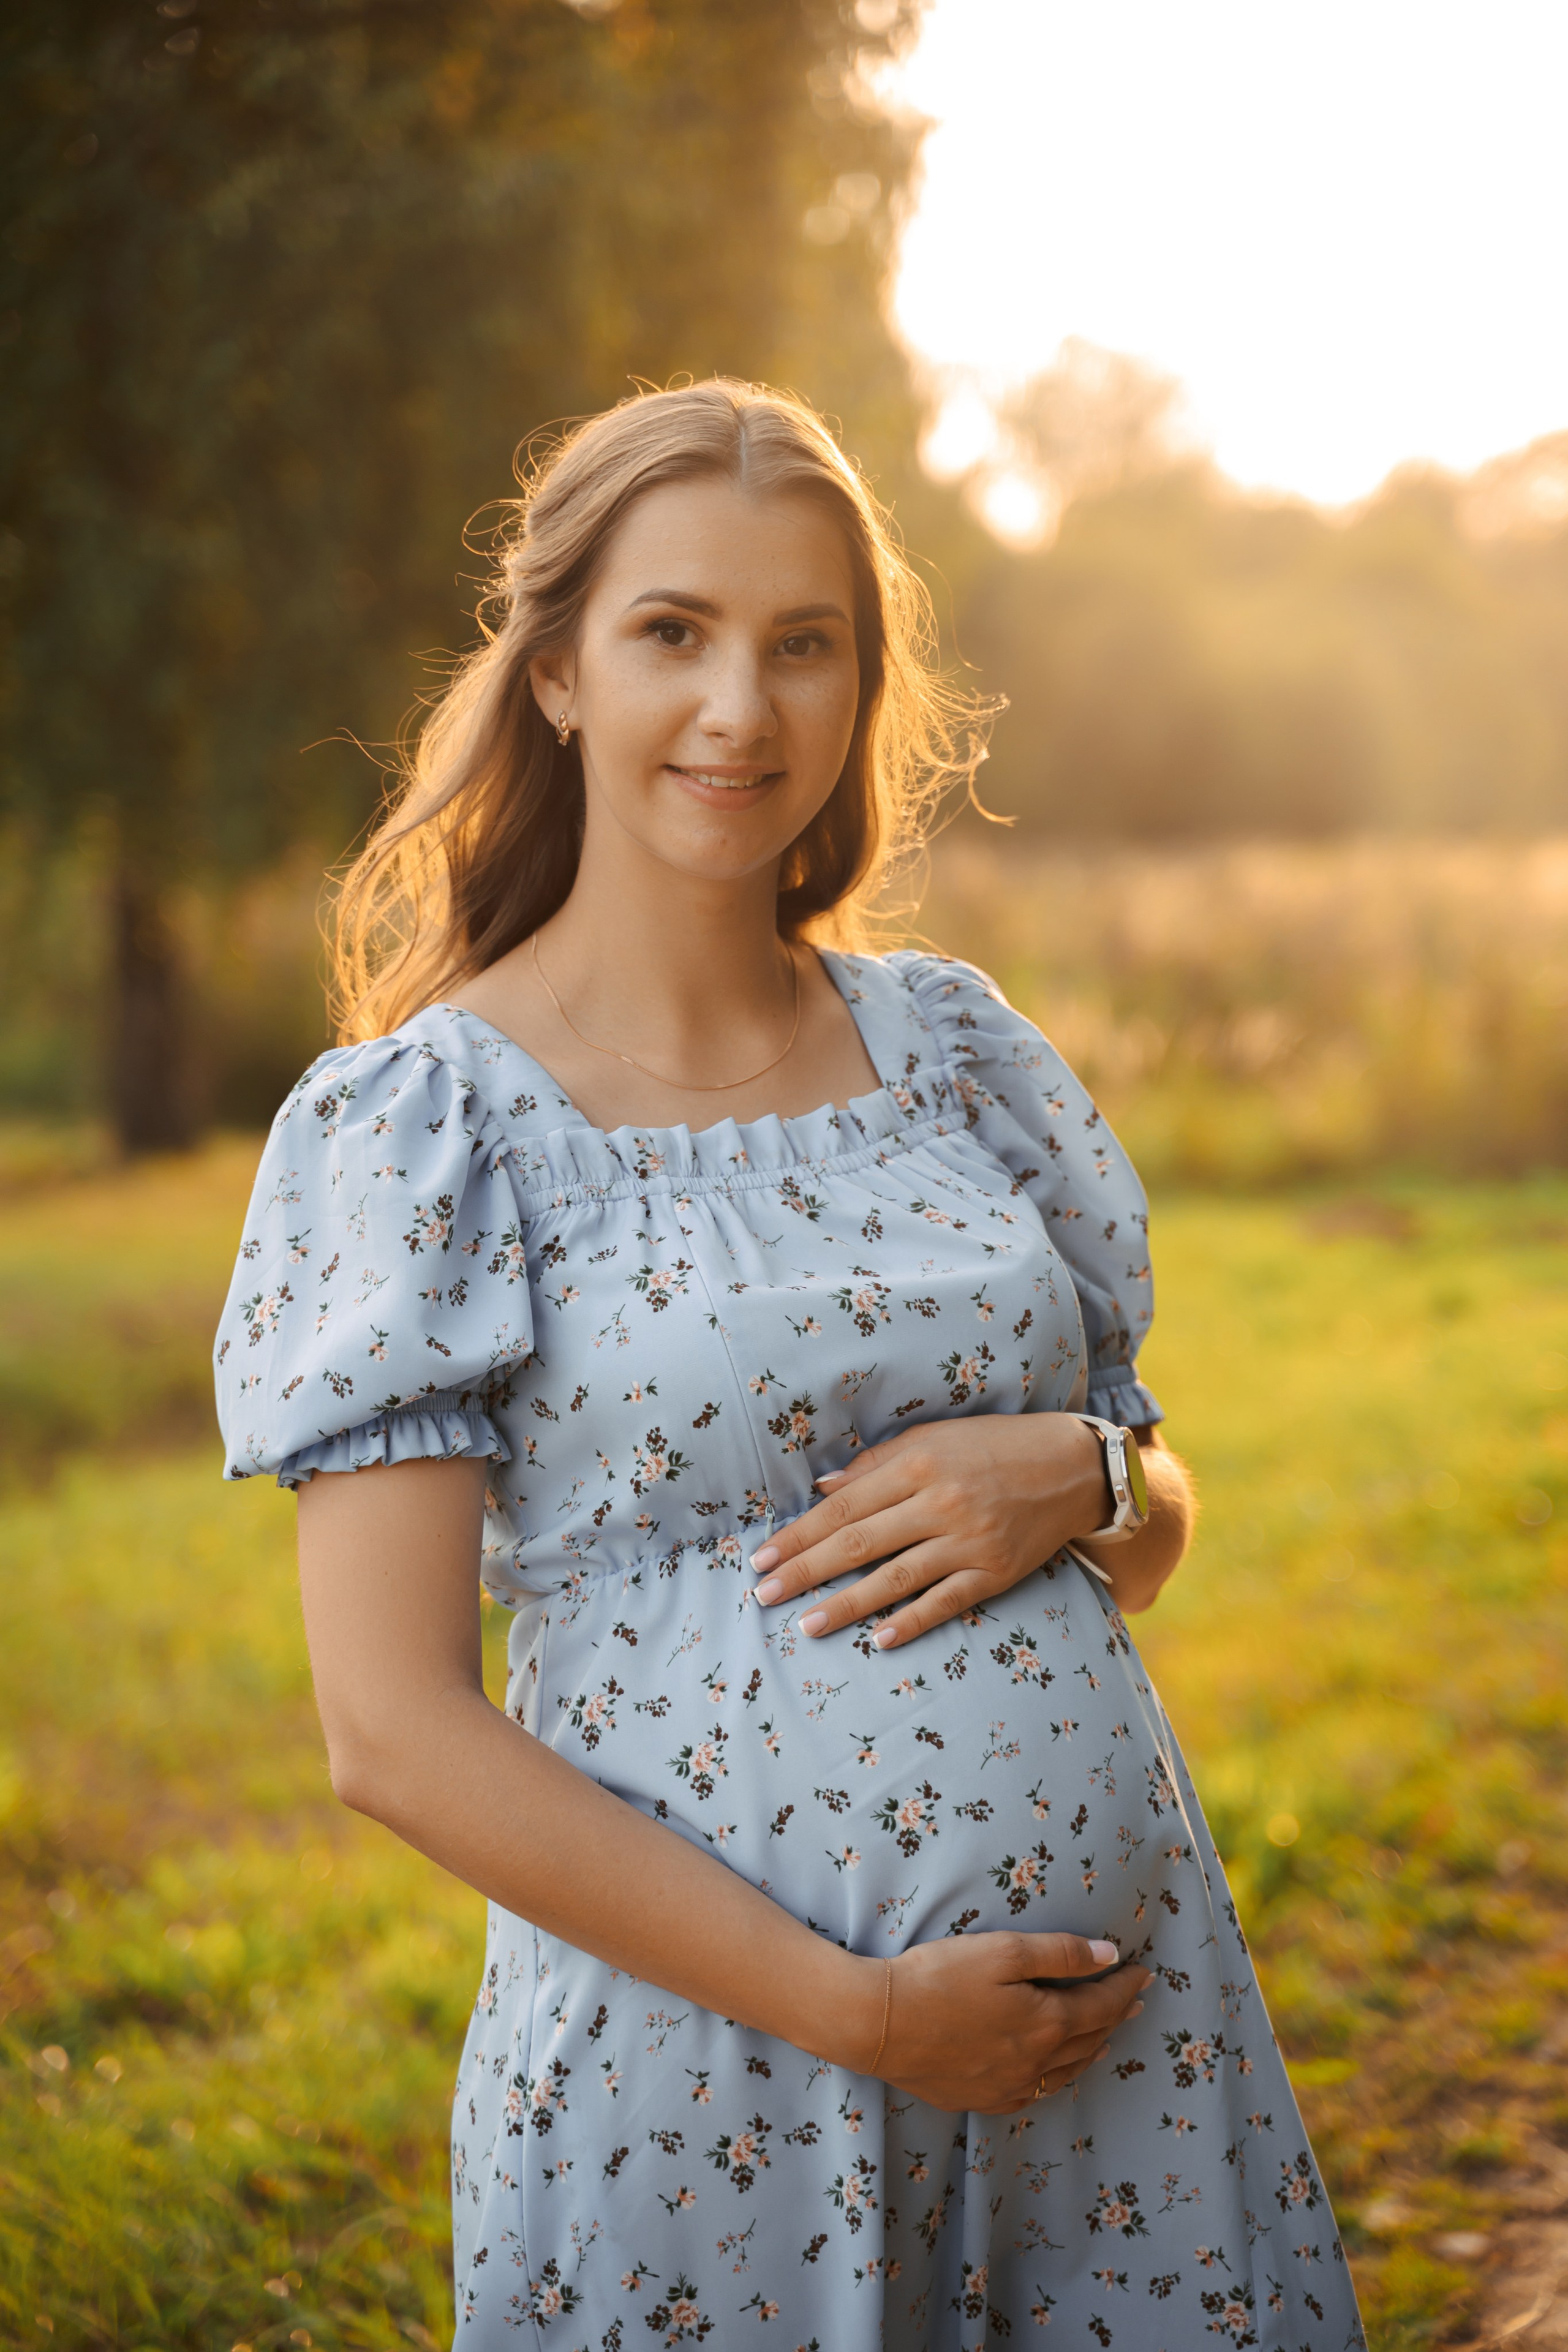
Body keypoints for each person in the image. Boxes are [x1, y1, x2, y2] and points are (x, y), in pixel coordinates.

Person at [214, 379, 1363, 2349]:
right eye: (676, 633)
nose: (742, 710)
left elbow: (1147, 1522)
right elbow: (387, 1731)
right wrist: (865, 2013)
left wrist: (1082, 1476)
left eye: (802, 646)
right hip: (713, 2089)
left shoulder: (952, 1050)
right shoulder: (422, 1126)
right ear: (561, 669)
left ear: (858, 689)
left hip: (1114, 2071)